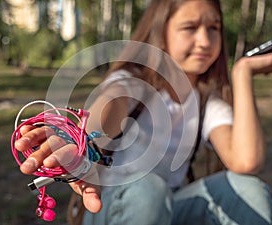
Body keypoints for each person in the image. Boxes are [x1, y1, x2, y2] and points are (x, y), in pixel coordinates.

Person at [14, 0, 272, 224]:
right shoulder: (132, 83)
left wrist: (242, 73)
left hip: (171, 206)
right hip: (111, 207)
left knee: (246, 187)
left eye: (214, 28)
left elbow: (246, 161)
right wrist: (76, 139)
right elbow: (110, 105)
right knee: (149, 189)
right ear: (161, 30)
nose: (205, 40)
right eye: (190, 27)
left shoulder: (205, 102)